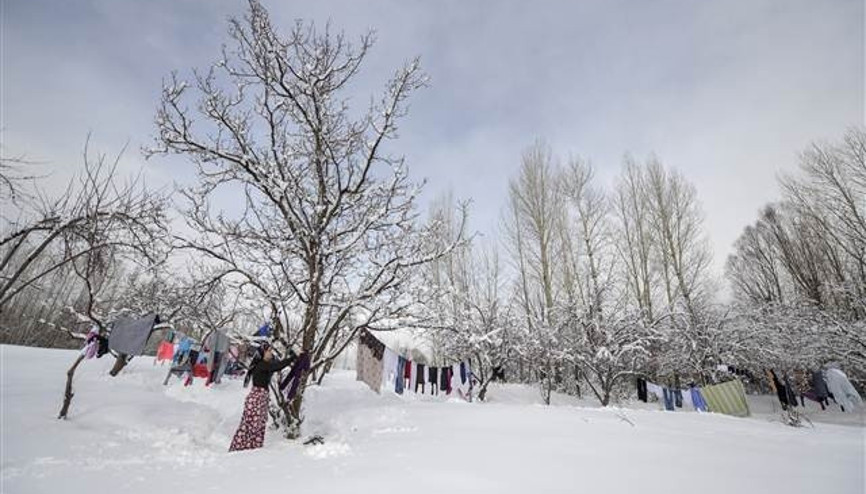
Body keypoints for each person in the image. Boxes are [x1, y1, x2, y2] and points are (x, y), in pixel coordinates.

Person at [229, 343, 295, 452]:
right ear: (263, 353)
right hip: (256, 398)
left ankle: (252, 449)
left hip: (261, 397)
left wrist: (291, 356)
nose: (271, 352)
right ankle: (243, 449)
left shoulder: (265, 364)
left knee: (258, 424)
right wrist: (292, 358)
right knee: (251, 425)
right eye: (269, 351)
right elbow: (277, 366)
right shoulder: (262, 365)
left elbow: (278, 364)